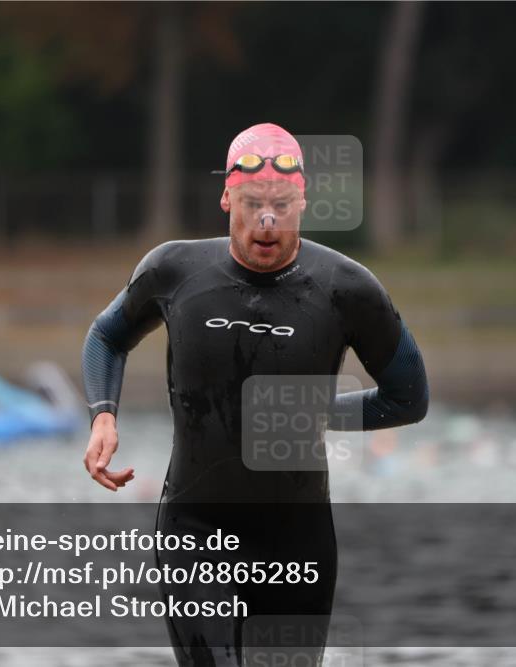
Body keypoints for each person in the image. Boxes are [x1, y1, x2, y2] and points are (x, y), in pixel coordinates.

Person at [81, 122, 428, 666]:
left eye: (283, 205)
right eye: (251, 204)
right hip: (197, 530)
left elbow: (408, 398)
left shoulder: (347, 288)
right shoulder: (174, 270)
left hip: (298, 542)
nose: (267, 222)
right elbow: (107, 336)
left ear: (303, 201)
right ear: (226, 198)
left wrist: (313, 412)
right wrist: (104, 416)